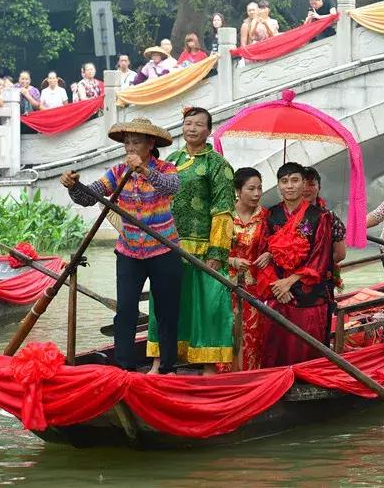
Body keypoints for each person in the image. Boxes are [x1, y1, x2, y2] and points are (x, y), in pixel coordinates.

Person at [60, 118, 181, 374]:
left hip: (164, 250)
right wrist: (73, 186)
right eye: (127, 143)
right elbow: (88, 197)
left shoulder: (166, 168)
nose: (130, 148)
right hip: (129, 251)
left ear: (150, 144)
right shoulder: (117, 172)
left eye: (136, 142)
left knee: (167, 312)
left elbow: (172, 188)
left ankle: (168, 367)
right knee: (125, 311)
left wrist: (144, 171)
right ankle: (125, 369)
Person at [146, 106, 235, 374]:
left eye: (198, 124)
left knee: (207, 307)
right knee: (164, 305)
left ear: (209, 130)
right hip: (168, 246)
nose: (192, 128)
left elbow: (223, 210)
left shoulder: (218, 165)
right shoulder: (170, 160)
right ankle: (159, 363)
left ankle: (207, 366)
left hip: (203, 248)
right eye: (188, 123)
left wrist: (217, 253)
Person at [257, 162, 334, 367]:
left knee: (307, 346)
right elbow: (264, 253)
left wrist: (290, 282)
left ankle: (309, 381)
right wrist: (279, 286)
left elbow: (320, 257)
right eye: (284, 181)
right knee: (275, 345)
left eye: (294, 180)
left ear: (303, 185)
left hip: (308, 292)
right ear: (279, 186)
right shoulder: (271, 215)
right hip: (279, 291)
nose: (289, 186)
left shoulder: (320, 217)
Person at [225, 167, 270, 371]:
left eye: (259, 188)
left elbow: (276, 246)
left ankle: (250, 376)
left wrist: (269, 254)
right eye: (251, 188)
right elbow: (210, 250)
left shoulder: (266, 218)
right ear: (238, 190)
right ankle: (223, 379)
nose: (257, 194)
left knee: (252, 335)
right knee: (226, 332)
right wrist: (232, 261)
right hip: (226, 285)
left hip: (255, 288)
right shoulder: (224, 216)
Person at [303, 167, 347, 264]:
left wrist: (316, 268)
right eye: (302, 184)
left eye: (311, 184)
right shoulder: (284, 216)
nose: (306, 189)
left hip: (319, 275)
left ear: (319, 188)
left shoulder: (331, 218)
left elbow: (340, 254)